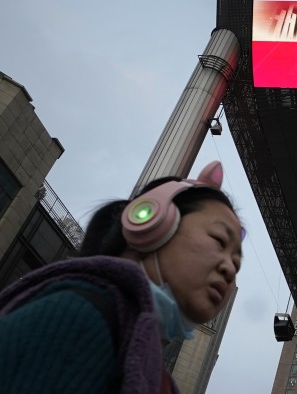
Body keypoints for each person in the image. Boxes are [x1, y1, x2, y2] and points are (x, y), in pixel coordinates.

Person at [0, 161, 243, 393]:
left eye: (237, 262)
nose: (230, 268)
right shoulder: (75, 317)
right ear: (151, 222)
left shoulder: (152, 370)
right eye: (219, 240)